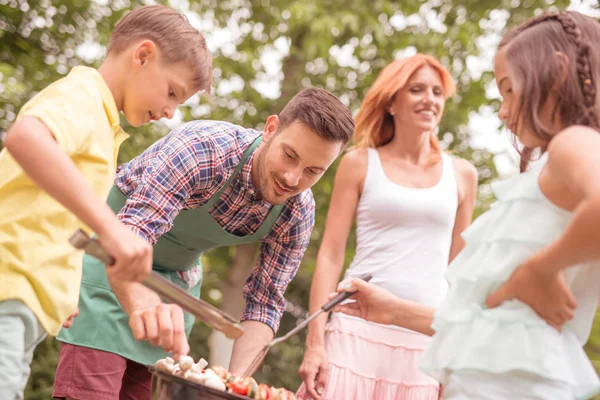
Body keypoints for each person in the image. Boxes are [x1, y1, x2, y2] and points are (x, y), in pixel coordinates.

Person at [333, 10, 600, 400]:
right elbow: (491, 319)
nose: (502, 110)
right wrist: (393, 310)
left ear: (557, 73)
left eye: (508, 89)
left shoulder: (573, 143)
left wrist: (539, 269)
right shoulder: (548, 171)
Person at [52, 87, 355, 400]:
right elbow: (134, 232)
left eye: (312, 171)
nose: (293, 179)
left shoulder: (297, 213)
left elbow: (265, 304)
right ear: (270, 129)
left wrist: (234, 386)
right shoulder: (202, 148)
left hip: (172, 286)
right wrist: (142, 305)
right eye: (290, 155)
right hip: (111, 255)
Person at [0, 4, 212, 399]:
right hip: (8, 289)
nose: (169, 111)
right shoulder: (83, 96)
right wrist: (112, 229)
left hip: (27, 300)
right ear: (143, 55)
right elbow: (26, 138)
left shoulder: (104, 128)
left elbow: (50, 217)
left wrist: (59, 289)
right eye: (171, 92)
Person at [296, 54, 478, 400]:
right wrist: (315, 341)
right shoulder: (358, 163)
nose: (430, 99)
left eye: (438, 92)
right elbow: (331, 256)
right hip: (355, 333)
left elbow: (460, 275)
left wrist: (452, 358)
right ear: (393, 101)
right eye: (417, 89)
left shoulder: (463, 175)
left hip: (423, 345)